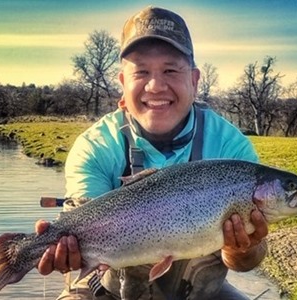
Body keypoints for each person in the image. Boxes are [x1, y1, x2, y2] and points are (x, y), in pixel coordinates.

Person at [35, 6, 268, 300]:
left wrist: (241, 248)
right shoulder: (95, 147)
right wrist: (63, 251)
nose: (156, 86)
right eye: (141, 71)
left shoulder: (230, 149)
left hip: (201, 293)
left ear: (194, 81)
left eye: (170, 70)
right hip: (107, 289)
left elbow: (247, 263)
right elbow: (82, 234)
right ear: (122, 83)